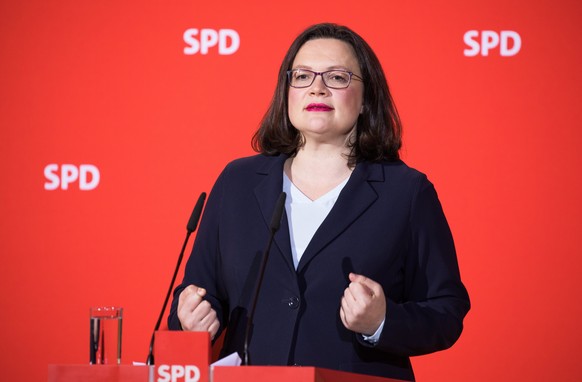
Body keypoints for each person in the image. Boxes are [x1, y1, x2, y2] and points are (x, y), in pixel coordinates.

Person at [168, 23, 470, 381]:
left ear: (365, 99)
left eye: (337, 77)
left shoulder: (406, 192)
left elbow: (445, 311)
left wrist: (381, 322)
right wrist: (190, 321)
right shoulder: (237, 182)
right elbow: (197, 294)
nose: (317, 87)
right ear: (287, 91)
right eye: (302, 76)